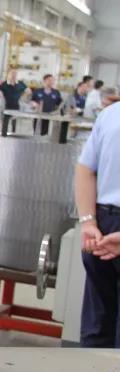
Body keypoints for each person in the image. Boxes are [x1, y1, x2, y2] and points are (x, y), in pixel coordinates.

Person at [74, 98, 120, 349]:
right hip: (101, 226)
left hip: (101, 223)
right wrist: (89, 222)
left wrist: (88, 222)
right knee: (97, 324)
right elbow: (85, 169)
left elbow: (85, 170)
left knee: (98, 325)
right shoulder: (111, 114)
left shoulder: (111, 114)